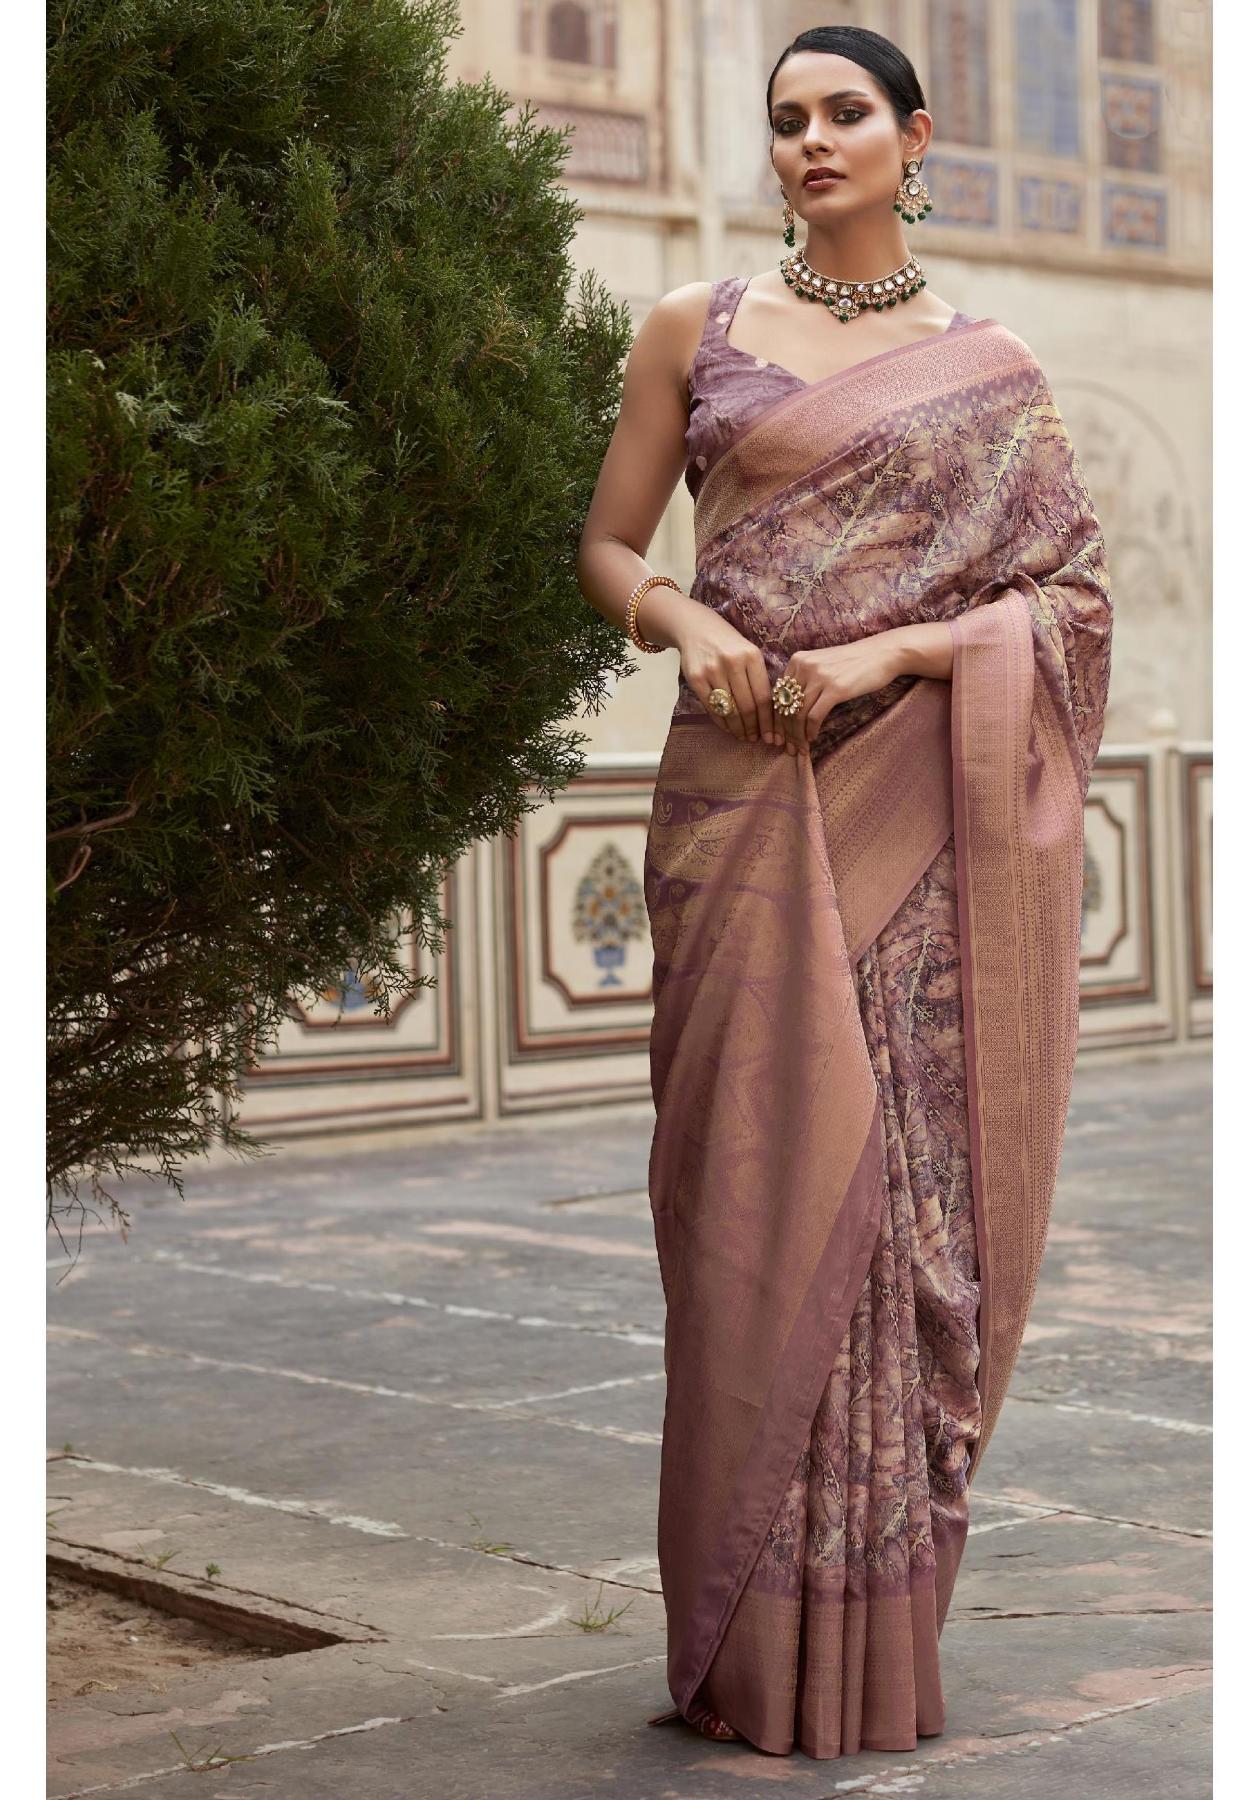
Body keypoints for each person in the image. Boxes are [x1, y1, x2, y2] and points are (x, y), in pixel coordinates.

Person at [575, 23, 1113, 1761]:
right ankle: (746, 1646)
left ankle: (872, 1645)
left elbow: (1068, 600)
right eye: (786, 118)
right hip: (740, 811)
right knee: (749, 1201)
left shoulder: (992, 372)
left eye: (845, 113)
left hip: (916, 824)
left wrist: (892, 649)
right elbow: (608, 546)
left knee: (897, 1216)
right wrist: (688, 620)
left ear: (913, 137)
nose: (810, 140)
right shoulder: (697, 327)